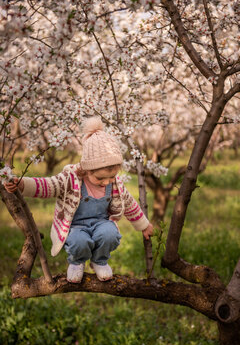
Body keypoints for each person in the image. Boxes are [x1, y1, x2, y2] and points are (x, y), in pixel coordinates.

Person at [4, 117, 153, 283]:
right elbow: (48, 185)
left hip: (100, 223)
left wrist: (144, 225)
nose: (107, 182)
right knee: (78, 242)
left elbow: (129, 204)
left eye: (112, 177)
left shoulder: (115, 184)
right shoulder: (71, 179)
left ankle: (99, 261)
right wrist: (23, 184)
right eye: (100, 178)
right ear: (87, 169)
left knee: (110, 234)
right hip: (76, 226)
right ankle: (77, 262)